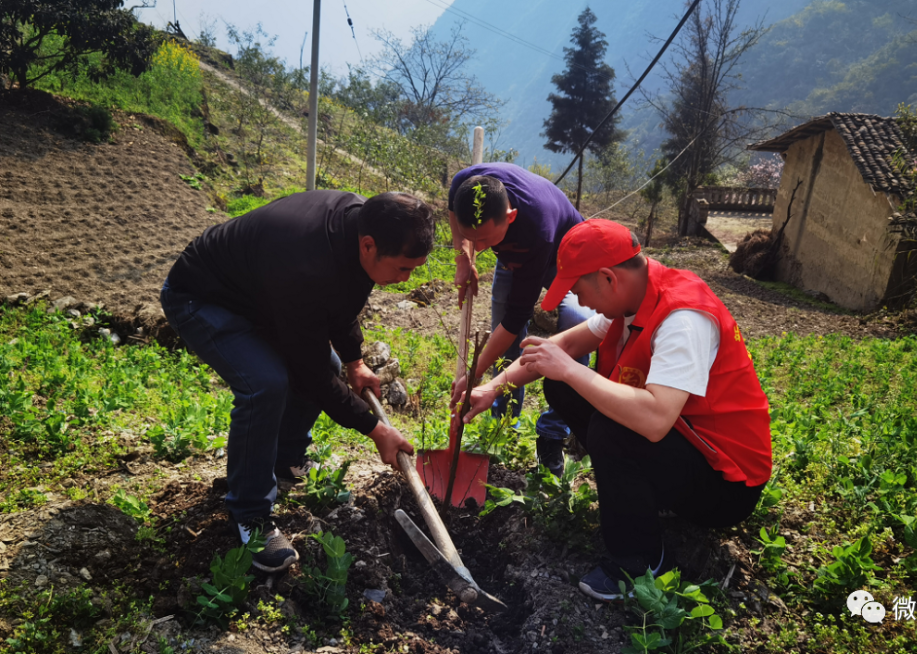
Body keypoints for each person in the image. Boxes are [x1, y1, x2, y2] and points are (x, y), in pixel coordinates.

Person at [459, 219, 772, 600]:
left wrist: (571, 369)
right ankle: (644, 497)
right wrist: (493, 387)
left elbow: (656, 421)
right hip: (686, 450)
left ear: (608, 278)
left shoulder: (682, 318)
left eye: (578, 290)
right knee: (561, 382)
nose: (579, 301)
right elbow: (559, 349)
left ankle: (641, 561)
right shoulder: (631, 299)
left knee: (609, 426)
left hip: (725, 486)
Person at [161, 191, 433, 572]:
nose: (407, 279)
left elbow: (341, 301)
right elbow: (310, 374)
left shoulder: (362, 226)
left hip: (260, 299)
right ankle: (251, 517)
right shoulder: (305, 263)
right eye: (404, 268)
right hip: (201, 297)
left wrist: (355, 361)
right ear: (369, 245)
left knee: (332, 362)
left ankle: (283, 462)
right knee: (267, 383)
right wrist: (374, 429)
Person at [448, 163, 593, 477]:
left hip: (562, 254)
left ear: (509, 217)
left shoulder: (536, 230)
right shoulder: (465, 185)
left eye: (484, 240)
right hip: (515, 253)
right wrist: (464, 256)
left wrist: (474, 374)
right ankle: (503, 424)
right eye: (476, 239)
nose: (481, 248)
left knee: (576, 321)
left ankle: (552, 434)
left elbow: (515, 320)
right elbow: (458, 219)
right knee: (506, 342)